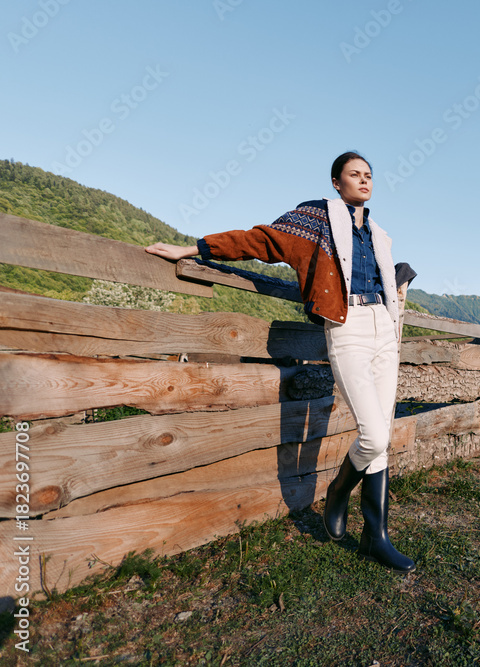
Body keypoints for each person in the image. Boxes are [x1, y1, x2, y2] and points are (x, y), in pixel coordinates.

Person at [145, 151, 415, 574]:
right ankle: (339, 492)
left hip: (385, 327)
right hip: (348, 327)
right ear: (336, 182)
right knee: (375, 436)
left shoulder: (380, 235)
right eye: (354, 174)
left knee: (382, 429)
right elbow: (260, 240)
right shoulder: (315, 220)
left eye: (368, 175)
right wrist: (194, 248)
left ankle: (375, 536)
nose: (364, 180)